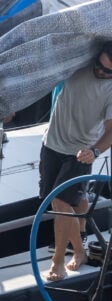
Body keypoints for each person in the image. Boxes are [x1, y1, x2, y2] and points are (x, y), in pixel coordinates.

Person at [40, 43, 112, 281]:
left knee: (60, 201)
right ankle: (80, 250)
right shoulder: (80, 62)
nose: (101, 72)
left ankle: (58, 261)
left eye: (108, 71)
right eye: (100, 66)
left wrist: (95, 151)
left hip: (81, 151)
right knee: (68, 200)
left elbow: (111, 131)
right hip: (51, 143)